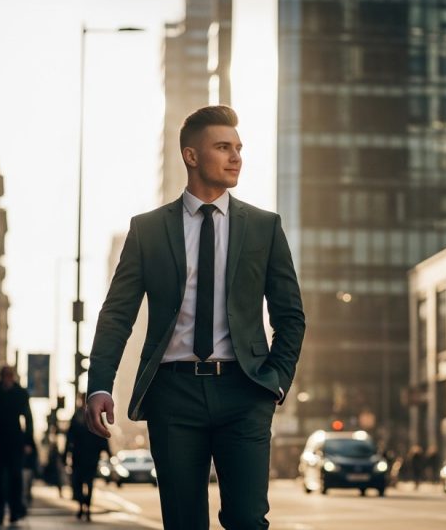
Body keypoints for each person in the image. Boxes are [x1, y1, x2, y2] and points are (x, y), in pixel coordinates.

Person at [84, 105, 305, 530]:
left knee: (247, 520)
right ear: (191, 155)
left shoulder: (264, 227)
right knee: (184, 523)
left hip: (245, 390)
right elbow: (117, 314)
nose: (236, 157)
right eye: (223, 147)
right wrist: (99, 385)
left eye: (238, 148)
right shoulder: (148, 229)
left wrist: (274, 381)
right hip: (173, 393)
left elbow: (291, 315)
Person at [0, 365, 35, 526]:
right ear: (1, 377)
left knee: (15, 478)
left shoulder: (20, 393)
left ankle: (14, 511)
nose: (7, 379)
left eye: (10, 376)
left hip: (14, 442)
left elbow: (28, 418)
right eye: (5, 376)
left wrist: (28, 441)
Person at [66, 405, 112, 521]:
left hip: (79, 456)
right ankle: (86, 507)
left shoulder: (77, 416)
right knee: (88, 483)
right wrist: (108, 451)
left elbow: (69, 437)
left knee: (80, 483)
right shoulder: (94, 415)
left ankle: (83, 506)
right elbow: (103, 434)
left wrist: (66, 454)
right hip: (90, 456)